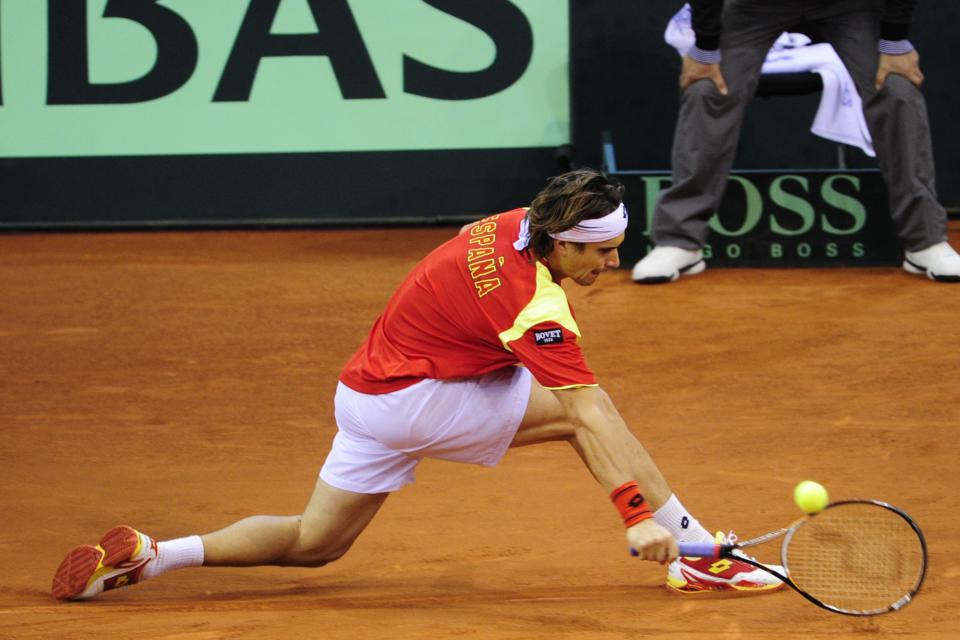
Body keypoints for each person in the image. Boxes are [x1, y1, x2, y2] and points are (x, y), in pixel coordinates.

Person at [51, 169, 783, 601]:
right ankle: (697, 555)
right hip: (414, 400)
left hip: (367, 395)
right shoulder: (537, 303)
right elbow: (588, 413)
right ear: (560, 242)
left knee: (314, 544)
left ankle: (156, 554)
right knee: (577, 410)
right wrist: (635, 516)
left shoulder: (503, 225)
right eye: (602, 253)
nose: (611, 267)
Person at [632, 0, 960, 284]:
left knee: (897, 88)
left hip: (852, 6)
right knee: (706, 88)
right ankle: (680, 241)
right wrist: (705, 46)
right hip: (753, 7)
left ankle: (924, 241)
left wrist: (895, 39)